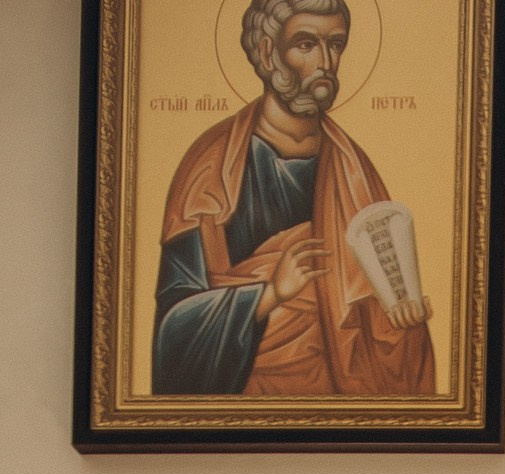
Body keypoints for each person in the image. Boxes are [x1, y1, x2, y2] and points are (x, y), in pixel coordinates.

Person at [152, 0, 433, 403]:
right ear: (268, 52)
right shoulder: (210, 167)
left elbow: (381, 315)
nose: (325, 62)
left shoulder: (355, 169)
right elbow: (174, 333)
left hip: (338, 401)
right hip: (247, 400)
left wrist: (403, 323)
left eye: (336, 44)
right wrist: (271, 293)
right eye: (305, 44)